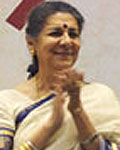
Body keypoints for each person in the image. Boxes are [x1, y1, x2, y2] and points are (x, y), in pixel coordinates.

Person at [1, 1, 120, 150]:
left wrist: (77, 111)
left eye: (73, 34)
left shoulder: (99, 95)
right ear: (31, 43)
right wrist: (52, 125)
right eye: (55, 33)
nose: (66, 41)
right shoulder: (7, 102)